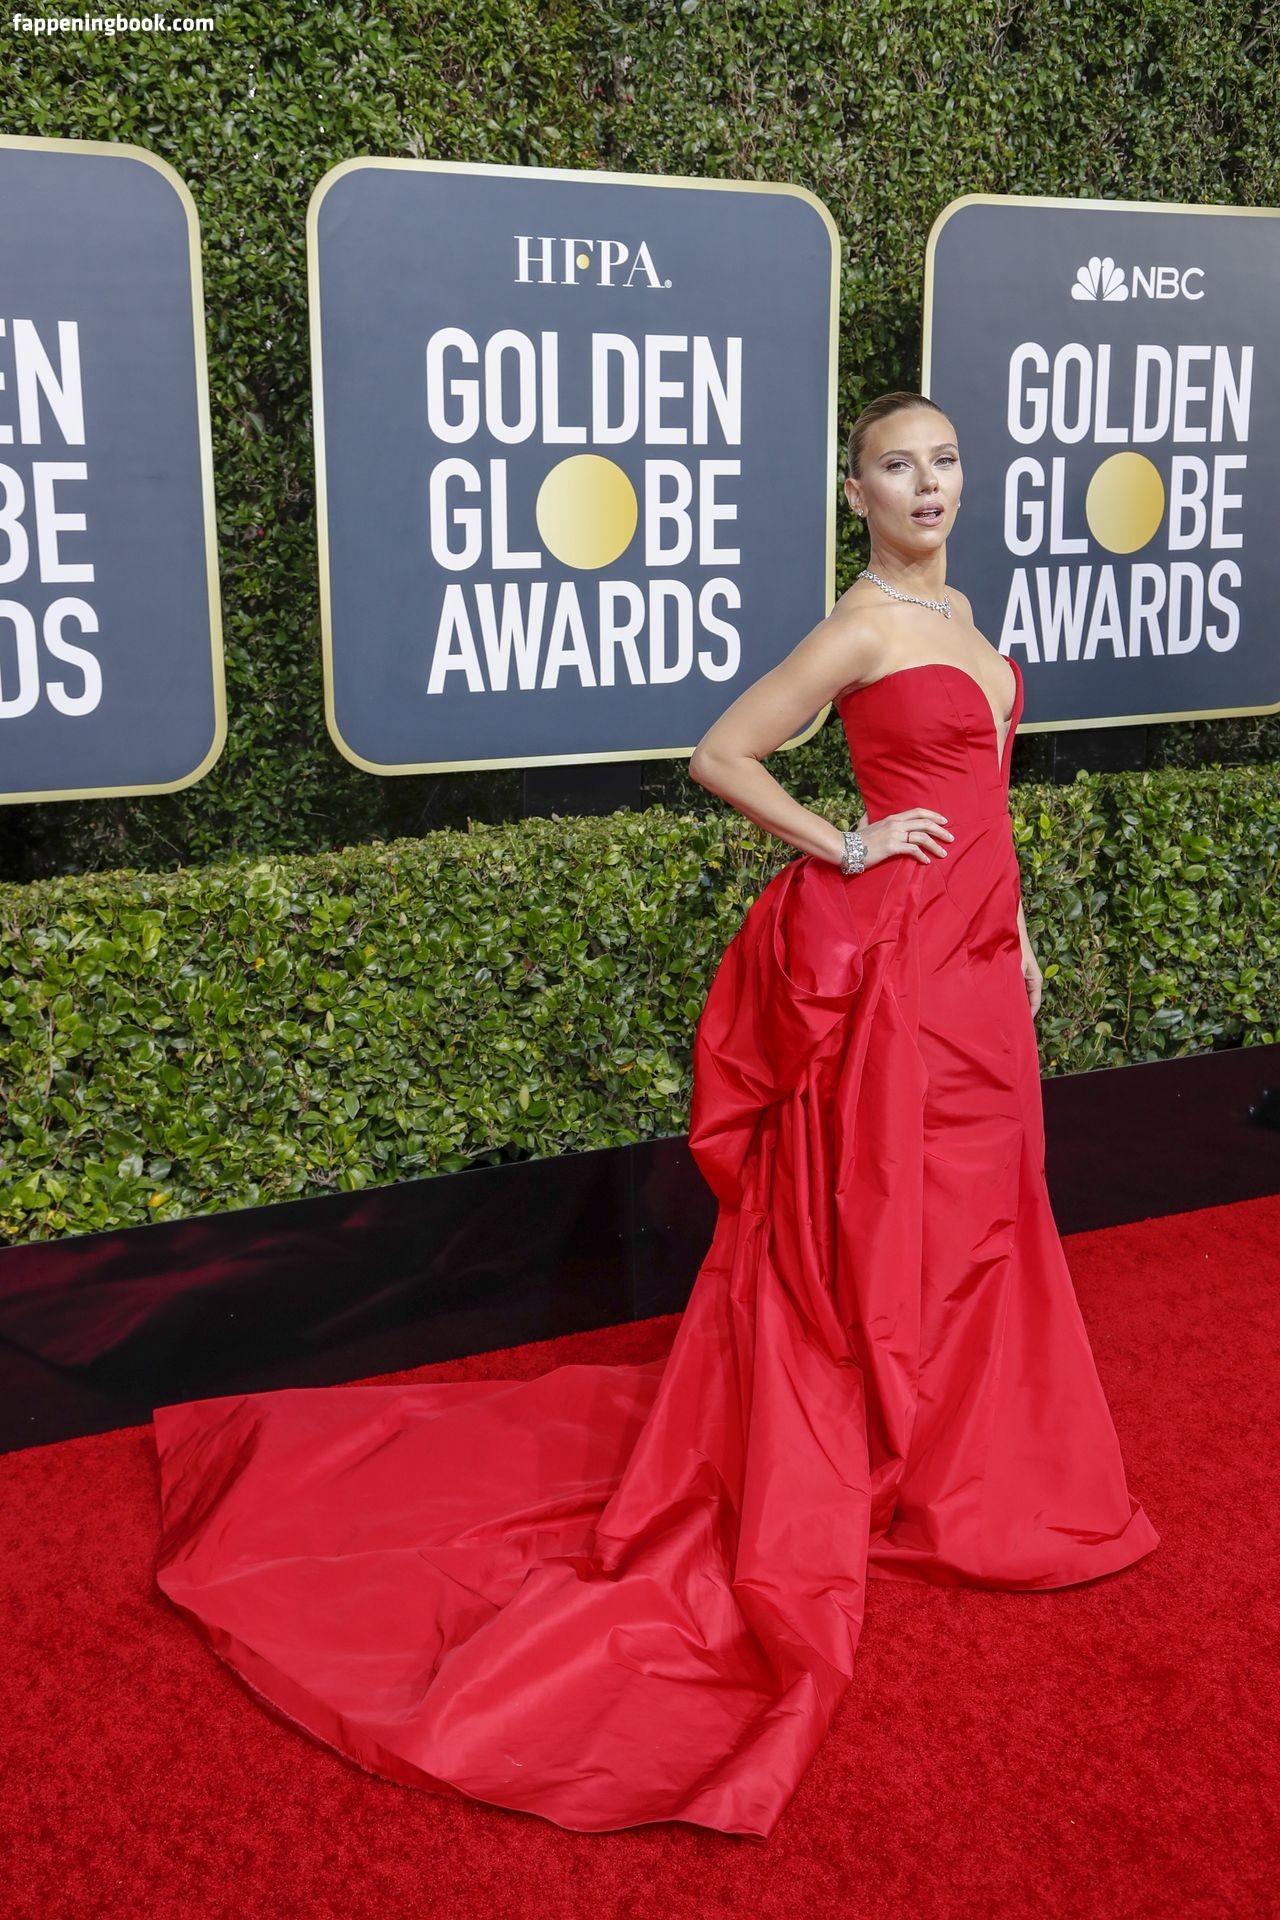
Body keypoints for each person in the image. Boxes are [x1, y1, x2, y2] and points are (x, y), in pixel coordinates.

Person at [152, 390, 1159, 1842]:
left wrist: (1026, 939)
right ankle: (871, 1444)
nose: (927, 485)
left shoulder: (963, 618)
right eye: (897, 466)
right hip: (897, 971)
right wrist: (849, 841)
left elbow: (985, 796)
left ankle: (946, 1453)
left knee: (985, 1208)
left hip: (981, 959)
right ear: (856, 492)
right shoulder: (860, 628)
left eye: (943, 462)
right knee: (887, 1205)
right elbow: (723, 753)